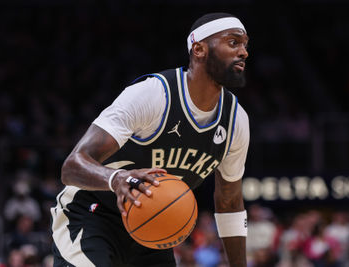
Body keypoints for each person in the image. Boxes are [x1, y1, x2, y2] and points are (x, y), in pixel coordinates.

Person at [51, 12, 250, 267]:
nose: (244, 52)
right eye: (233, 42)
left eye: (245, 45)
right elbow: (72, 166)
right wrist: (117, 178)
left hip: (153, 231)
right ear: (199, 49)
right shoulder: (153, 94)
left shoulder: (236, 120)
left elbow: (230, 202)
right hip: (92, 214)